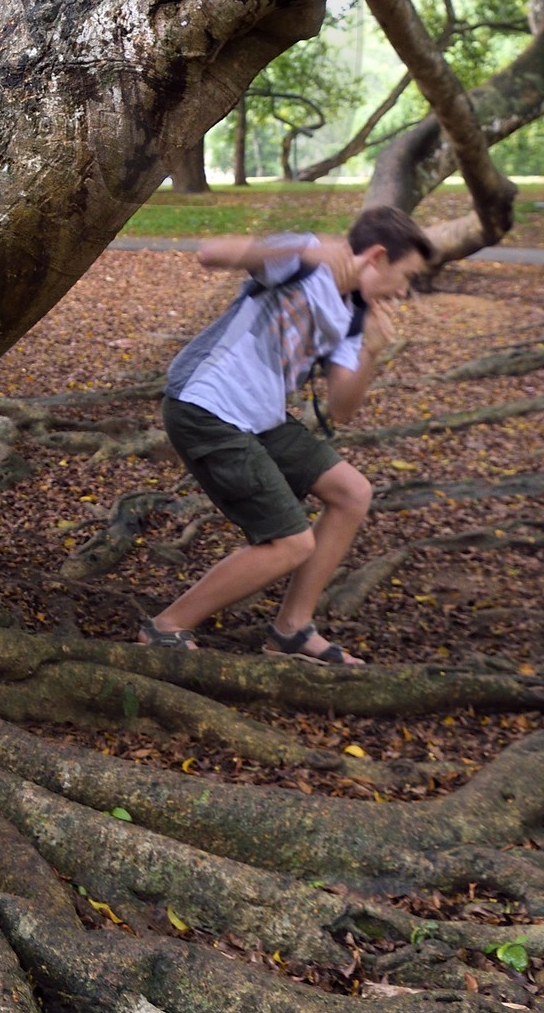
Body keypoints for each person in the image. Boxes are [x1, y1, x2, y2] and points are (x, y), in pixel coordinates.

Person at [138, 205, 434, 667]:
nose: (404, 291)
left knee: (351, 493)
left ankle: (292, 630)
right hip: (206, 404)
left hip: (260, 416)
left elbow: (342, 408)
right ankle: (165, 628)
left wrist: (373, 353)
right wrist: (307, 246)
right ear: (376, 256)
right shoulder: (303, 263)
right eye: (406, 276)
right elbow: (211, 253)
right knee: (291, 543)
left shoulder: (355, 313)